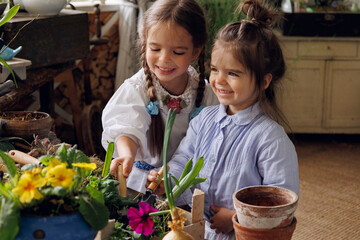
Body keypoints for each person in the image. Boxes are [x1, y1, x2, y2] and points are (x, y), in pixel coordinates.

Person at [147, 0, 299, 239]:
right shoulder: (203, 119)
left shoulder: (271, 139)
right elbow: (183, 159)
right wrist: (166, 177)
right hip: (199, 231)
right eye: (215, 69)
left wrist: (237, 217)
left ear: (264, 81)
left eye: (233, 73)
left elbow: (282, 202)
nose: (219, 80)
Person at [101, 0, 218, 194]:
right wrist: (127, 155)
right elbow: (126, 128)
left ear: (196, 51)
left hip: (184, 183)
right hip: (140, 182)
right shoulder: (136, 88)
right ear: (144, 43)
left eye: (178, 52)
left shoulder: (205, 92)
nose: (164, 59)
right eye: (155, 49)